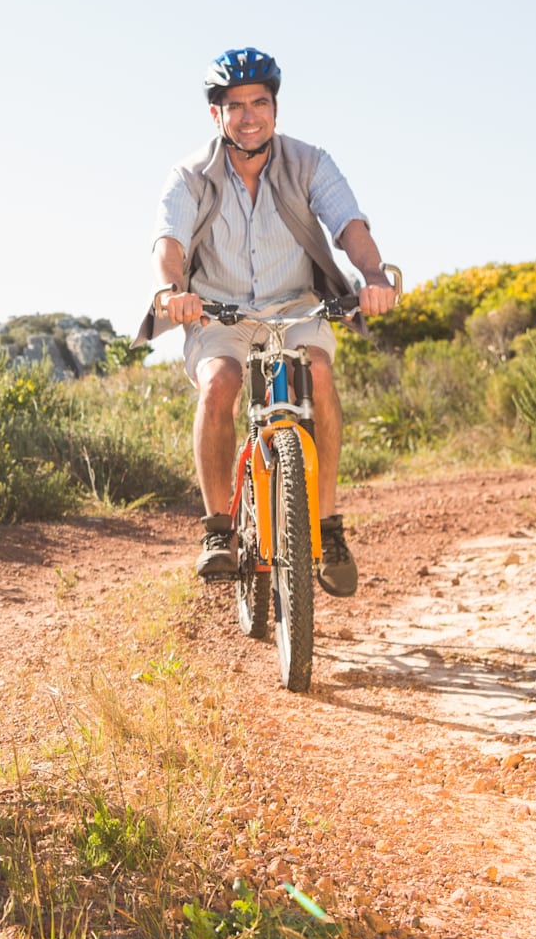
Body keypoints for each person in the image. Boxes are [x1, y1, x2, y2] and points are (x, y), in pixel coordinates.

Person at [136, 47, 397, 597]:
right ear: (217, 115)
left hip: (298, 307)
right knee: (219, 384)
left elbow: (348, 223)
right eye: (236, 106)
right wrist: (171, 291)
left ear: (275, 109)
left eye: (260, 103)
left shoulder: (311, 162)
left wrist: (372, 275)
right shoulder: (189, 175)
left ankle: (326, 524)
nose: (250, 115)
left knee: (318, 372)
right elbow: (170, 242)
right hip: (217, 312)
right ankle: (217, 531)